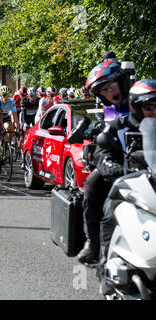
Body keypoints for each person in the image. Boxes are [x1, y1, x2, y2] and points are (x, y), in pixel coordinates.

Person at [77, 60, 134, 264]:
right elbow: (104, 143)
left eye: (111, 86)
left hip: (145, 160)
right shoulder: (109, 109)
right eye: (104, 91)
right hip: (116, 163)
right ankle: (93, 244)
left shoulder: (141, 98)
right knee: (92, 184)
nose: (110, 93)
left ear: (122, 81)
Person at [99, 79, 156, 261]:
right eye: (149, 107)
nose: (154, 112)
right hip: (127, 186)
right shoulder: (118, 127)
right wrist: (112, 166)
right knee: (110, 214)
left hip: (153, 186)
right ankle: (105, 263)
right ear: (136, 107)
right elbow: (102, 153)